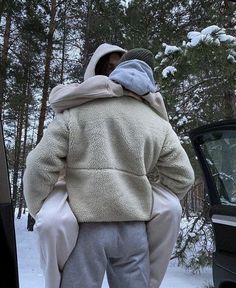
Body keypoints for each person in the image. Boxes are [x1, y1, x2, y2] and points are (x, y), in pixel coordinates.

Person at [23, 44, 195, 288]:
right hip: (134, 230)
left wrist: (38, 208)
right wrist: (146, 196)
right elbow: (184, 177)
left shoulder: (75, 112)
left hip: (88, 230)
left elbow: (39, 164)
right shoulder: (158, 123)